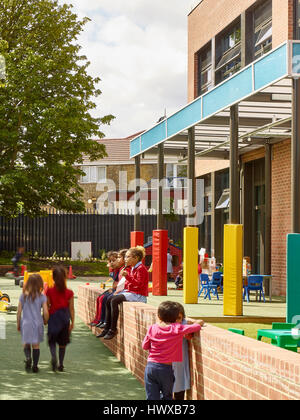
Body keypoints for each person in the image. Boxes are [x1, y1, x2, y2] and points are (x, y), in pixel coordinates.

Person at [142, 301, 204, 400]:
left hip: (150, 367)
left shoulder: (152, 328)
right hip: (166, 369)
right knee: (167, 396)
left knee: (151, 397)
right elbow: (195, 327)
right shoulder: (177, 328)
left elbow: (145, 346)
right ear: (176, 318)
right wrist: (198, 322)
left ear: (159, 316)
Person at [98, 246, 149, 340]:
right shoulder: (134, 267)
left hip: (138, 295)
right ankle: (107, 327)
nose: (125, 259)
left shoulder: (141, 268)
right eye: (125, 257)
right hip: (131, 292)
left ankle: (113, 330)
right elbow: (129, 283)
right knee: (109, 299)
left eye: (128, 257)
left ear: (136, 258)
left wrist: (127, 277)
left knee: (114, 300)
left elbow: (139, 285)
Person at [17, 273, 49, 373]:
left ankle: (28, 358)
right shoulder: (42, 297)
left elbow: (19, 312)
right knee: (36, 345)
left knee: (26, 343)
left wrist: (18, 324)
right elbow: (46, 311)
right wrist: (45, 321)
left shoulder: (23, 296)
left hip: (26, 323)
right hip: (37, 323)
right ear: (40, 284)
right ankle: (35, 366)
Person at [46, 265, 75, 372]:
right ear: (65, 277)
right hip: (64, 319)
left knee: (52, 341)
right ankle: (61, 364)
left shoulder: (49, 291)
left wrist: (45, 318)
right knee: (62, 344)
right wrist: (72, 322)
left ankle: (54, 357)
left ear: (53, 278)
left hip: (53, 317)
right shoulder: (69, 292)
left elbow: (47, 305)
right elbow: (71, 308)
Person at [95, 249, 130, 334]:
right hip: (117, 289)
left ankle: (109, 325)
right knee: (101, 298)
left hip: (122, 291)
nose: (116, 261)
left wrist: (115, 289)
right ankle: (101, 320)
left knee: (108, 299)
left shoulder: (124, 269)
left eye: (118, 258)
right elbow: (115, 279)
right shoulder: (120, 268)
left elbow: (122, 282)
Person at [89, 251, 119, 327]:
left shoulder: (120, 269)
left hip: (118, 290)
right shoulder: (115, 269)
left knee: (105, 298)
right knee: (100, 298)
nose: (112, 262)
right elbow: (113, 277)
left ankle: (105, 321)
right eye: (110, 261)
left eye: (114, 260)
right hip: (114, 288)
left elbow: (117, 279)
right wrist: (111, 268)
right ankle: (98, 319)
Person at [172, 303, 192, 400]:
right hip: (166, 365)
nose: (176, 321)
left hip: (179, 363)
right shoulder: (166, 325)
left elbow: (189, 333)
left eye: (179, 318)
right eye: (174, 318)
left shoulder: (183, 324)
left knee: (179, 390)